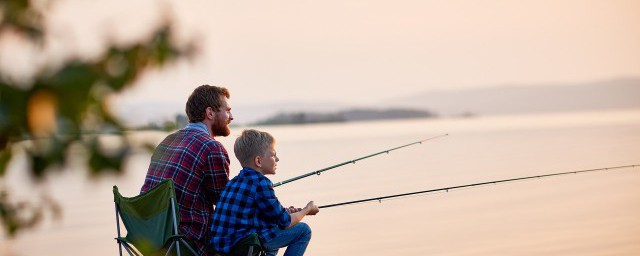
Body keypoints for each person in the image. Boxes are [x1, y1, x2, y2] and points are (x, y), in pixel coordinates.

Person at [140, 85, 234, 256]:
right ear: (210, 113)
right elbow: (225, 205)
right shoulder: (212, 148)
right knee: (257, 235)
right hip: (187, 243)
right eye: (227, 111)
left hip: (152, 239)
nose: (232, 117)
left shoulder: (168, 140)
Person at [210, 129, 319, 256]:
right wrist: (306, 209)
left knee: (271, 227)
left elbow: (259, 213)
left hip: (223, 248)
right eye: (273, 155)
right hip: (242, 248)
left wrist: (286, 211)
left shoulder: (233, 182)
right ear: (258, 161)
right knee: (303, 230)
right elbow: (286, 222)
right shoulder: (261, 183)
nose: (277, 159)